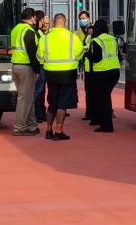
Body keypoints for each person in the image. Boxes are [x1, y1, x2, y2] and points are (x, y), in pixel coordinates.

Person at [37, 13, 85, 140]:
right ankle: (58, 131)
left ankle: (48, 131)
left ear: (53, 23)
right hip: (67, 73)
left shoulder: (45, 38)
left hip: (50, 73)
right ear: (65, 22)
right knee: (62, 104)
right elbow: (80, 54)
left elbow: (39, 57)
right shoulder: (72, 37)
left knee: (52, 103)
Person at [84, 19, 121, 132]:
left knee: (103, 98)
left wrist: (87, 54)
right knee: (105, 97)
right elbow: (119, 56)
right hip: (115, 71)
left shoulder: (96, 41)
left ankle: (106, 126)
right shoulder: (113, 39)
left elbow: (96, 58)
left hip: (102, 72)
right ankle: (102, 121)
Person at [9, 8, 41, 136]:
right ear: (32, 17)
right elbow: (32, 53)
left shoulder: (16, 29)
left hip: (15, 66)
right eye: (35, 18)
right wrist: (37, 69)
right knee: (24, 99)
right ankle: (19, 128)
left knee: (27, 98)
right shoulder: (28, 31)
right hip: (26, 67)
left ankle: (32, 126)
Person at [76, 11, 93, 122]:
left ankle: (97, 112)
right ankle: (89, 112)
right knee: (88, 90)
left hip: (94, 64)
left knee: (95, 90)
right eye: (80, 19)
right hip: (85, 64)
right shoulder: (78, 32)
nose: (82, 20)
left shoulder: (93, 30)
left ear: (88, 18)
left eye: (84, 18)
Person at [33, 11, 48, 123]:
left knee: (41, 90)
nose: (44, 23)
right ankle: (36, 114)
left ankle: (41, 112)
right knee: (38, 91)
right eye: (42, 20)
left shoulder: (40, 33)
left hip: (43, 65)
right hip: (40, 65)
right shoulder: (37, 33)